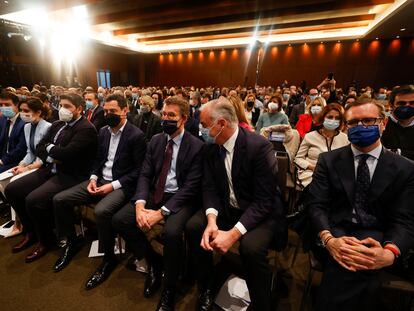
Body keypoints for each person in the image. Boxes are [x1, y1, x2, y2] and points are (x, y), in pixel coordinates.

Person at [307, 98, 414, 311]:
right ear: (346, 127)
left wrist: (390, 252)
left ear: (383, 124)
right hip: (336, 229)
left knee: (358, 261)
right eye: (354, 123)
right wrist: (329, 240)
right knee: (351, 260)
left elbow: (405, 219)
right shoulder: (328, 160)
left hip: (379, 233)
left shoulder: (405, 168)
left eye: (368, 120)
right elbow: (317, 205)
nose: (361, 127)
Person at [186, 98, 286, 311]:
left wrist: (232, 234)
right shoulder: (210, 148)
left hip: (260, 213)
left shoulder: (258, 146)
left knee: (250, 248)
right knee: (195, 227)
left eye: (204, 125)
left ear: (221, 123)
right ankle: (206, 284)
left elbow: (264, 201)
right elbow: (209, 187)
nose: (200, 130)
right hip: (228, 207)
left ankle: (262, 303)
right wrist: (212, 220)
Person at [112, 96, 204, 310]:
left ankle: (170, 287)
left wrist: (160, 213)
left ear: (184, 119)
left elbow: (191, 187)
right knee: (121, 220)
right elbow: (145, 174)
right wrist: (140, 204)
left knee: (172, 233)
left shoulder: (196, 146)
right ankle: (153, 262)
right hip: (155, 192)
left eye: (171, 116)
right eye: (163, 114)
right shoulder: (155, 140)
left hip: (180, 198)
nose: (165, 119)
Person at [52, 94, 146, 287]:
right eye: (106, 111)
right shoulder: (103, 132)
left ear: (125, 111)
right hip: (100, 179)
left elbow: (139, 171)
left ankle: (108, 258)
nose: (109, 114)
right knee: (60, 200)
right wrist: (94, 178)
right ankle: (72, 241)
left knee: (102, 211)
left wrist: (113, 185)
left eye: (114, 111)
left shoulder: (136, 135)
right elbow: (97, 160)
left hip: (121, 184)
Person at [5, 93, 98, 262]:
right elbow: (40, 146)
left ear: (79, 108)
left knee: (33, 200)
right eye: (61, 105)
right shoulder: (57, 124)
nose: (63, 109)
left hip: (70, 174)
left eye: (68, 106)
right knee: (12, 190)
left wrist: (52, 150)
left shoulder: (86, 128)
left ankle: (46, 240)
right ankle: (30, 231)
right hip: (51, 168)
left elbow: (67, 154)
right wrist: (52, 153)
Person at [0, 97, 51, 238]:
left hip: (43, 166)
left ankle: (23, 223)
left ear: (38, 112)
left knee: (13, 183)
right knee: (3, 180)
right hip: (31, 164)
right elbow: (30, 152)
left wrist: (27, 169)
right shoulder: (27, 127)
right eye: (21, 110)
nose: (23, 113)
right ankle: (20, 220)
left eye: (26, 111)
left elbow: (43, 156)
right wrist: (21, 165)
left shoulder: (47, 127)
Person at [294, 104, 348, 188]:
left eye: (337, 118)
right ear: (323, 118)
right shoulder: (310, 136)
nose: (333, 120)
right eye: (330, 117)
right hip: (311, 173)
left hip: (336, 175)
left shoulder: (345, 139)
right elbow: (298, 158)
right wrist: (312, 167)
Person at [381, 85, 414, 160]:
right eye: (401, 103)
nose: (407, 106)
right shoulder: (381, 125)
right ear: (391, 105)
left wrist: (396, 152)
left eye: (412, 103)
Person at [0, 92, 27, 174]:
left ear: (16, 105)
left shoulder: (25, 122)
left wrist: (2, 161)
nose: (3, 107)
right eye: (1, 105)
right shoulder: (3, 119)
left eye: (7, 105)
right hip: (3, 157)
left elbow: (20, 150)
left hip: (16, 161)